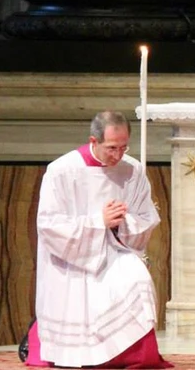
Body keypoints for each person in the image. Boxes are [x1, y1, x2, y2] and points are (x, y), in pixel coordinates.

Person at [25, 111, 171, 369]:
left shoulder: (132, 170)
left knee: (138, 281)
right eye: (112, 148)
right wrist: (97, 221)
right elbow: (49, 225)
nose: (118, 155)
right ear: (93, 140)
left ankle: (130, 356)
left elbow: (147, 215)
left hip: (116, 249)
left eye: (124, 147)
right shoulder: (61, 171)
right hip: (73, 257)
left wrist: (124, 221)